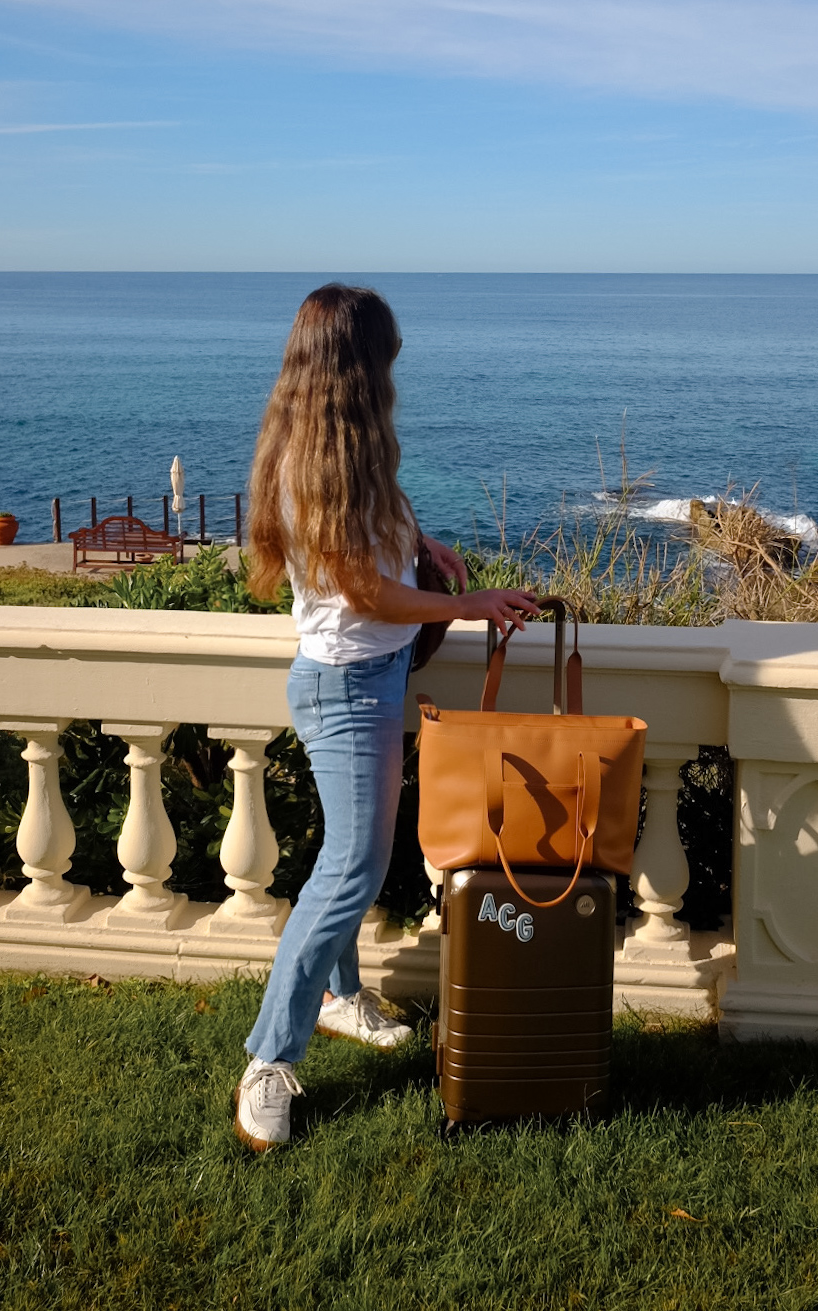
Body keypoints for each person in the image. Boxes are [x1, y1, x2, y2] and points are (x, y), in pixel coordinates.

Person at [234, 283, 538, 1150]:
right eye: (385, 360)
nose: (392, 376)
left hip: (372, 672)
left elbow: (372, 542)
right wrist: (470, 600)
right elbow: (360, 589)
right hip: (347, 688)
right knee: (354, 872)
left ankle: (337, 997)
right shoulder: (311, 461)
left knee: (343, 856)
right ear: (356, 368)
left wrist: (425, 542)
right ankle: (268, 1058)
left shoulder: (338, 444)